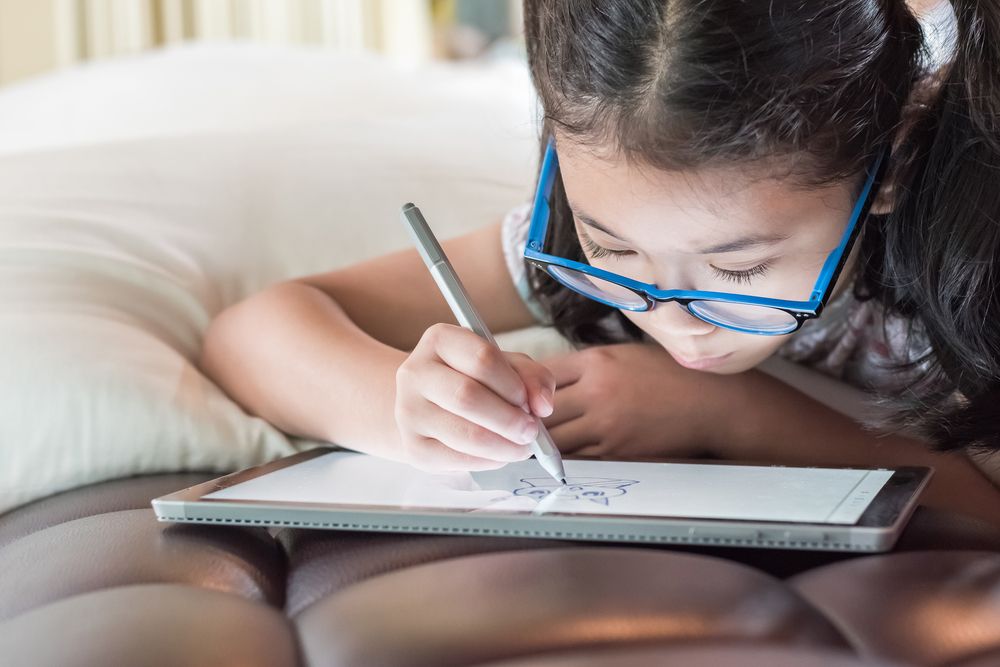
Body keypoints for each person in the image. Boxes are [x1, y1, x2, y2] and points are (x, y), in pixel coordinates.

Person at [199, 0, 1000, 525]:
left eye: (737, 271)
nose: (670, 320)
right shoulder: (571, 249)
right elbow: (253, 334)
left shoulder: (971, 267)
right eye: (613, 246)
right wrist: (411, 411)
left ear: (888, 168)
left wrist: (725, 411)